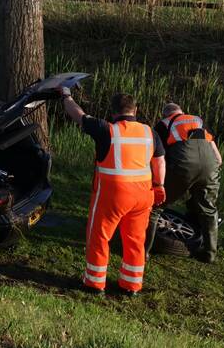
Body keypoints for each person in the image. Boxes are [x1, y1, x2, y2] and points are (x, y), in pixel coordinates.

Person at [59, 90, 166, 296]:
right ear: (135, 110)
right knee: (135, 239)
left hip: (114, 193)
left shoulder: (106, 129)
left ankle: (94, 283)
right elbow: (160, 161)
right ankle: (131, 285)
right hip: (144, 194)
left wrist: (66, 96)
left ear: (113, 111)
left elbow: (78, 115)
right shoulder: (149, 132)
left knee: (99, 236)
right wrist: (159, 185)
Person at [147, 103, 222, 262]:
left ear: (165, 114)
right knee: (208, 209)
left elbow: (158, 157)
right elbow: (219, 159)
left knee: (155, 207)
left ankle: (144, 251)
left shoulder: (163, 124)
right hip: (211, 165)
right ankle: (210, 254)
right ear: (181, 111)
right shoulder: (199, 121)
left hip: (183, 165)